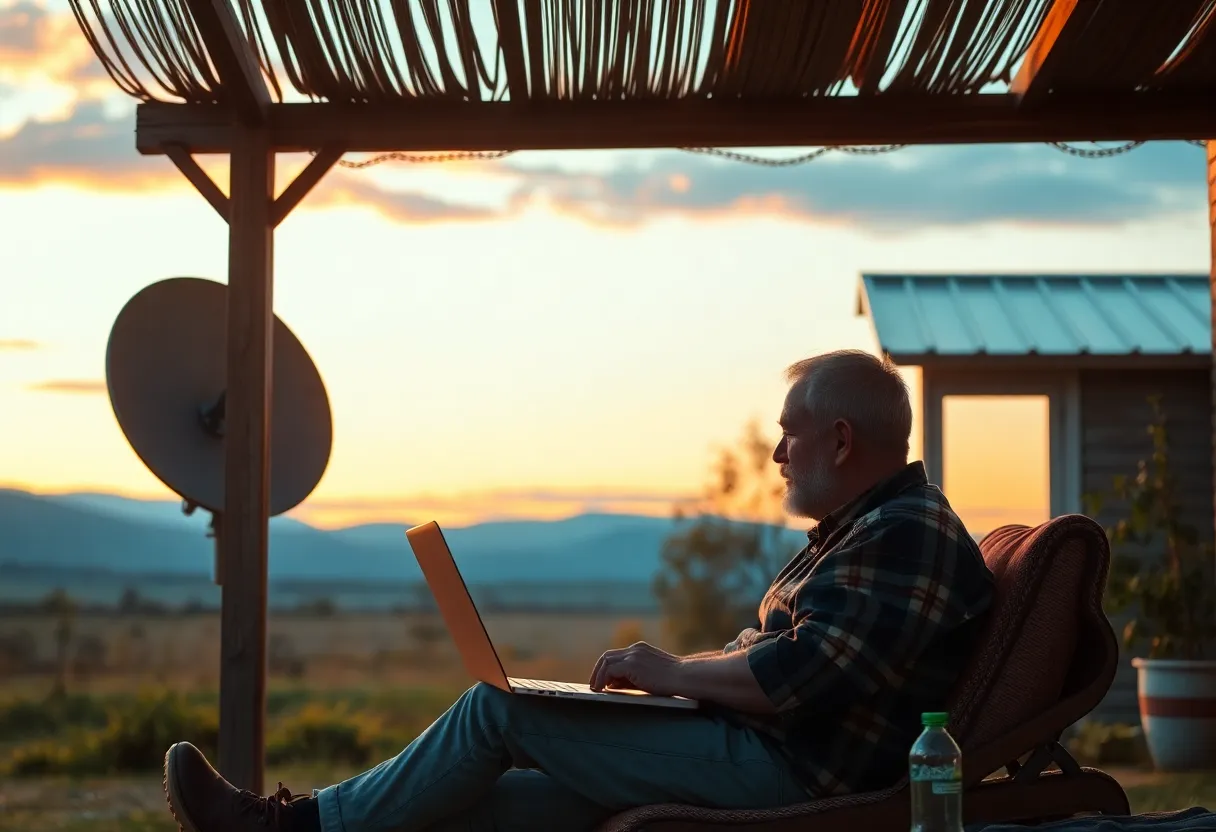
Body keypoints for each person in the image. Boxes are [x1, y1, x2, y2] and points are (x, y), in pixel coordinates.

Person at [162, 349, 996, 832]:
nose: (780, 455)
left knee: (501, 709)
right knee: (477, 798)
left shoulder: (905, 533)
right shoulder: (870, 531)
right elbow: (789, 663)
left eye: (790, 435)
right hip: (763, 752)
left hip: (800, 781)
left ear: (841, 441)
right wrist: (672, 688)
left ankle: (286, 830)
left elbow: (801, 678)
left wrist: (670, 673)